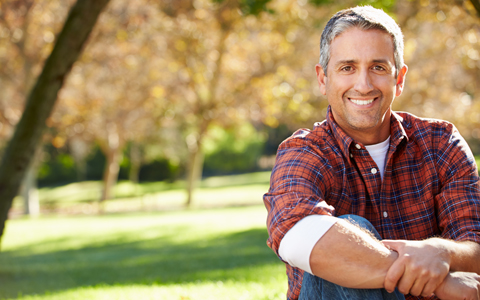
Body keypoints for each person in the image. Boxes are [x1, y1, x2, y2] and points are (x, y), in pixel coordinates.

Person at [263, 6, 480, 300]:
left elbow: (475, 245)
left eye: (378, 67)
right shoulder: (304, 152)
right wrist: (433, 279)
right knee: (349, 232)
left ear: (399, 79)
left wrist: (441, 251)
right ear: (323, 79)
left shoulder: (440, 143)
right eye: (347, 68)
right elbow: (297, 234)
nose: (363, 85)